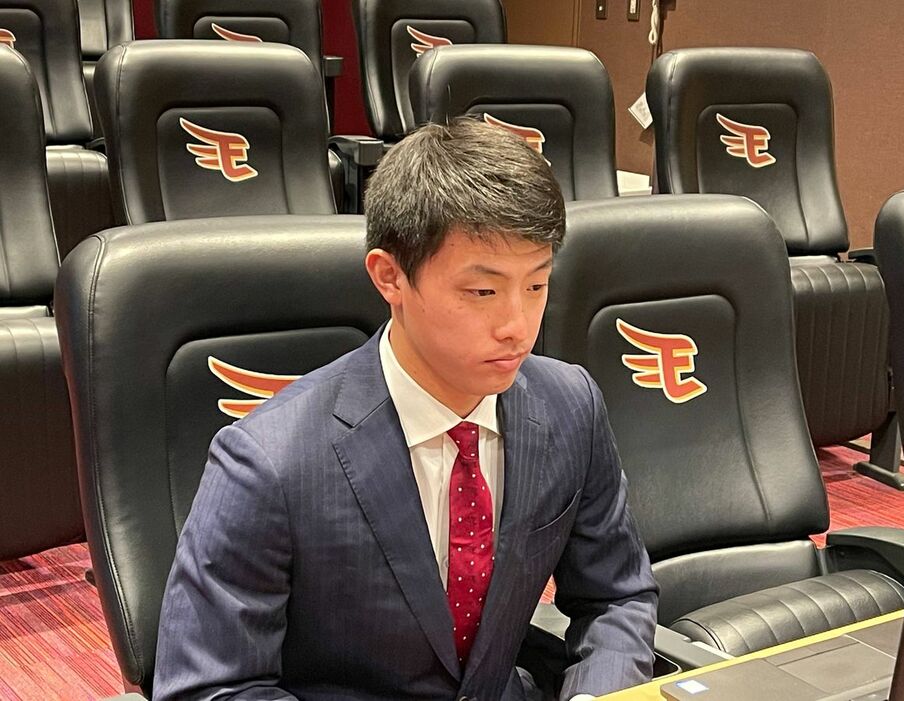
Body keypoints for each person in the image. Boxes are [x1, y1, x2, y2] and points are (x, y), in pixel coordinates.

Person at [153, 117, 658, 701]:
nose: (517, 326)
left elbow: (616, 596)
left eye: (537, 286)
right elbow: (211, 689)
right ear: (390, 277)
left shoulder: (570, 406)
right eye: (483, 291)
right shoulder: (270, 463)